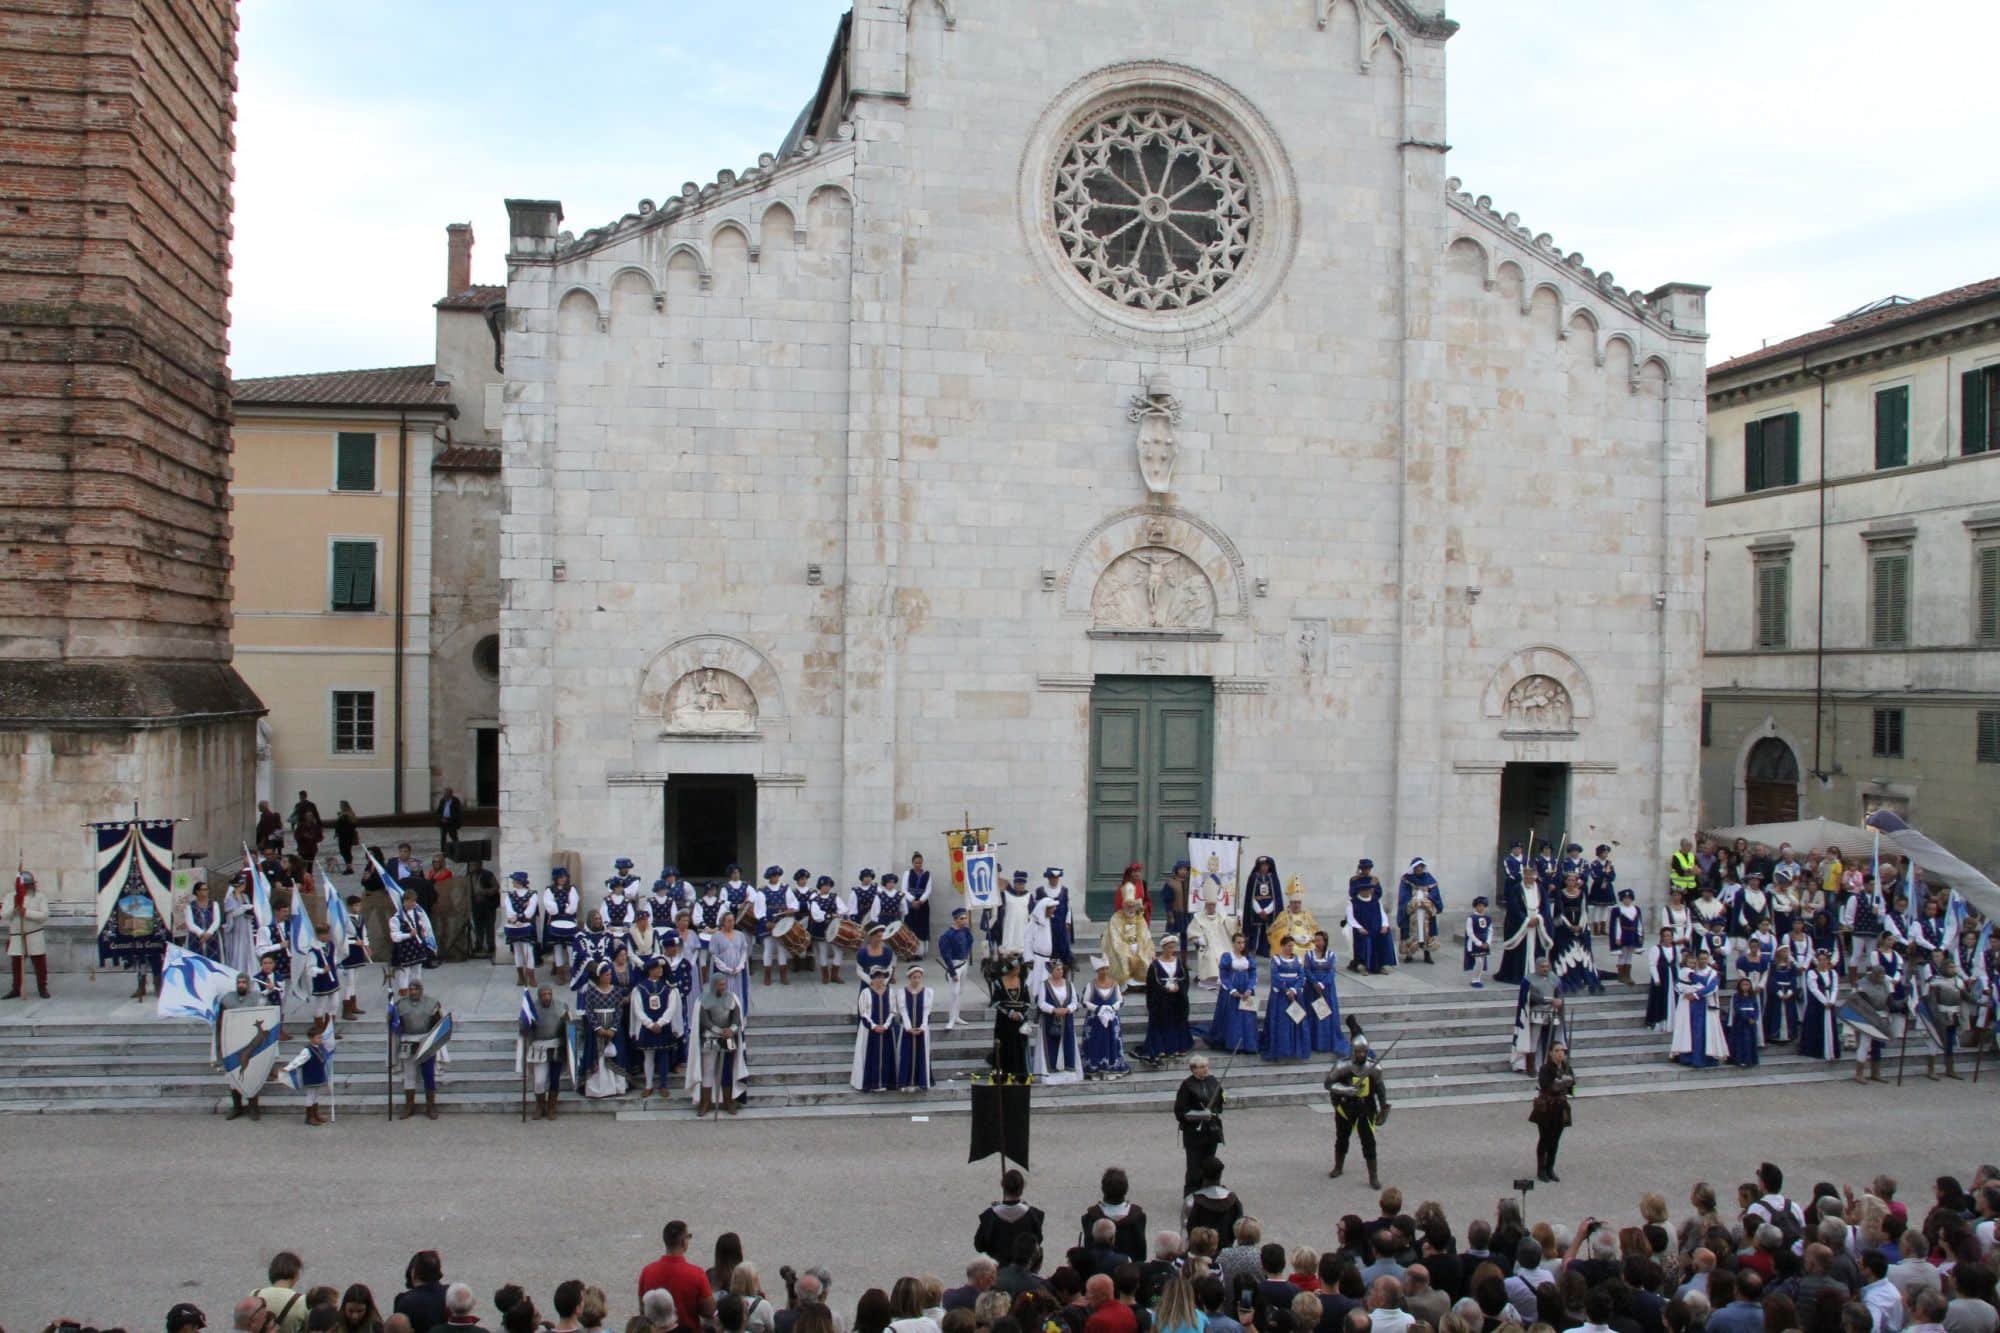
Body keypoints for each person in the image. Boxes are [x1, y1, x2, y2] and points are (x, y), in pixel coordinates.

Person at [1325, 1022, 1390, 1187]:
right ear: (1353, 1051)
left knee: (1369, 1142)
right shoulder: (1342, 1066)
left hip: (1365, 1108)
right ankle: (1338, 1166)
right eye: (1358, 1051)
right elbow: (1329, 1084)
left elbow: (1380, 1088)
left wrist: (1383, 1106)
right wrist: (1346, 1090)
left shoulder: (1373, 1068)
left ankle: (1373, 1176)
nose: (1361, 1054)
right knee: (1342, 1138)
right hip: (1346, 1108)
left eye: (1363, 1051)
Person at [640, 1221, 718, 1333]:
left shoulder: (647, 1272)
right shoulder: (697, 1274)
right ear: (683, 1241)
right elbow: (710, 1310)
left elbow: (643, 1309)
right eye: (689, 1236)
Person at [689, 971, 748, 1114]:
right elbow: (705, 1021)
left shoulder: (732, 998)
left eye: (724, 984)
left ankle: (729, 1102)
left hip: (728, 1038)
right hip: (710, 1038)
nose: (723, 987)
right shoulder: (703, 1000)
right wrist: (718, 1031)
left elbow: (736, 1018)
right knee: (708, 1071)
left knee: (726, 1071)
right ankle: (705, 1102)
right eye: (721, 984)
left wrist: (731, 1030)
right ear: (714, 985)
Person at [627, 956, 679, 1099]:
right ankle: (648, 1085)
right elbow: (638, 1009)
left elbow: (671, 1007)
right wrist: (649, 1024)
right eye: (657, 968)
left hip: (663, 1026)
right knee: (648, 1056)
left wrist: (661, 1023)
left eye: (662, 968)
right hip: (647, 1027)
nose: (660, 970)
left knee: (663, 1056)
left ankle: (663, 1084)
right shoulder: (640, 988)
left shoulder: (668, 988)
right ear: (650, 970)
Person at [394, 979, 447, 1120]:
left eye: (416, 989)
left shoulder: (431, 1003)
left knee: (428, 1074)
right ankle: (409, 1106)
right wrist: (391, 1017)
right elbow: (396, 1025)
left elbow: (439, 1024)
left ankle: (431, 1106)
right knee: (409, 1075)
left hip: (426, 1043)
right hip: (408, 1042)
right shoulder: (401, 1005)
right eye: (411, 989)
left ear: (421, 990)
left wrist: (437, 1015)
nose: (413, 992)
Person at [1174, 1055, 1226, 1196]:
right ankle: (1191, 1195)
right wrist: (1200, 1115)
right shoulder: (1187, 1086)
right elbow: (1180, 1111)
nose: (1205, 1069)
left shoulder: (1213, 1081)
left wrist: (1218, 1104)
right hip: (1194, 1133)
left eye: (1206, 1066)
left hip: (1212, 1130)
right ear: (1193, 1069)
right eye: (1202, 1067)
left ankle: (1209, 1191)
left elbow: (1219, 1102)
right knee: (1194, 1166)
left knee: (1210, 1163)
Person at [1080, 1168, 1150, 1265]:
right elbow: (1141, 1254)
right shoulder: (1138, 1216)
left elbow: (1087, 1248)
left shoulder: (1090, 1217)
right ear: (1126, 1189)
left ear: (1103, 1189)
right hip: (1129, 1273)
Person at [976, 1169, 1048, 1264]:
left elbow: (979, 1246)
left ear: (1003, 1186)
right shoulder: (1033, 1215)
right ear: (1022, 1188)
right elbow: (1037, 1242)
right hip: (1024, 1272)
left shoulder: (990, 1216)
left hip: (997, 1272)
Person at [1141, 937, 1194, 1064]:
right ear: (1163, 947)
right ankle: (1161, 1048)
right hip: (1162, 1000)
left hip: (1177, 999)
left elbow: (1184, 979)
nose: (1172, 950)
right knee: (1162, 1021)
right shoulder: (1155, 965)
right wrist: (1164, 989)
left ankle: (1178, 1047)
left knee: (1177, 1020)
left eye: (1173, 947)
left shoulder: (1179, 962)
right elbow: (1152, 984)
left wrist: (1178, 987)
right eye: (1169, 947)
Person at [1669, 948, 1724, 1068]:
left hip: (1706, 1005)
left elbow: (1711, 987)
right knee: (1692, 1031)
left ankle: (1706, 1059)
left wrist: (1695, 994)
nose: (1703, 961)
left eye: (1705, 958)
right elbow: (1681, 983)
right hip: (1692, 1006)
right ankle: (1690, 1057)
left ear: (1708, 959)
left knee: (1705, 1031)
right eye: (1701, 959)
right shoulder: (1692, 971)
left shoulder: (1712, 973)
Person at [1263, 935, 1315, 1062]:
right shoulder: (1276, 960)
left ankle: (1295, 1050)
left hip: (1295, 995)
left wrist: (1294, 990)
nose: (1290, 948)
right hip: (1280, 996)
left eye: (1292, 946)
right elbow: (1275, 977)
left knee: (1297, 1021)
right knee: (1282, 1023)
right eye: (1288, 946)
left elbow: (1301, 976)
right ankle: (1280, 1051)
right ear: (1282, 946)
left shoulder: (1297, 960)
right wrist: (1286, 990)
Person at [1207, 933, 1260, 1053]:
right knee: (1233, 1017)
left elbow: (1253, 974)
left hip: (1246, 990)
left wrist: (1249, 989)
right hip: (1231, 991)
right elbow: (1224, 975)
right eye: (1239, 942)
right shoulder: (1227, 956)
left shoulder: (1248, 957)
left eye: (1243, 942)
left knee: (1248, 1017)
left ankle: (1249, 1045)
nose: (1241, 945)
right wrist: (1232, 990)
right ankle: (1233, 1044)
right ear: (1233, 943)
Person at [1105, 867, 1156, 991]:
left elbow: (1146, 937)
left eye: (1139, 872)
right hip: (1123, 935)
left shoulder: (1139, 917)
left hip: (1137, 932)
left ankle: (1141, 983)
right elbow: (1116, 938)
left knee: (1143, 952)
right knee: (1125, 954)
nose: (1137, 874)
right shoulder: (1117, 919)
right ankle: (1125, 983)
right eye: (1134, 872)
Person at [524, 983, 570, 1119]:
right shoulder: (533, 1009)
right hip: (539, 1049)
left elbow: (567, 1027)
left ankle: (551, 1107)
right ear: (539, 996)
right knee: (539, 1081)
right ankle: (540, 1106)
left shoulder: (560, 1007)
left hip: (556, 1048)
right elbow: (525, 1028)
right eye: (544, 995)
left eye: (549, 994)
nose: (547, 997)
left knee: (554, 1079)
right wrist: (524, 1023)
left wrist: (568, 1019)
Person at [1530, 1043, 1574, 1183]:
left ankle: (1550, 1168)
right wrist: (1562, 1083)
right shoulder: (1545, 1068)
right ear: (1550, 1053)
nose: (1560, 1053)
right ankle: (1541, 1170)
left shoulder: (1567, 1067)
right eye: (1557, 1051)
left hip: (1561, 1107)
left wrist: (1568, 1084)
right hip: (1547, 1108)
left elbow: (1572, 1085)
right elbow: (1547, 1086)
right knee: (1545, 1139)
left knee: (1555, 1140)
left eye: (1562, 1051)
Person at [853, 968, 901, 1093]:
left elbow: (893, 1011)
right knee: (871, 1055)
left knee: (886, 1055)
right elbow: (863, 1012)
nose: (879, 980)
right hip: (870, 1032)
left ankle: (885, 1082)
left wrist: (885, 1025)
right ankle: (872, 1083)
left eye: (882, 977)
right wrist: (874, 1026)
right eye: (876, 977)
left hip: (886, 1031)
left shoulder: (890, 993)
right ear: (872, 979)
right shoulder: (865, 993)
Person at [5, 868, 51, 999]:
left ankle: (42, 988)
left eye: (31, 884)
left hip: (34, 934)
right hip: (17, 935)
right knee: (16, 964)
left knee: (40, 963)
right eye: (26, 885)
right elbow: (3, 914)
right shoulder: (10, 896)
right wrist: (14, 909)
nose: (29, 887)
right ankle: (16, 989)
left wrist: (26, 913)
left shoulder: (40, 897)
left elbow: (44, 915)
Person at [1082, 959, 1130, 1079]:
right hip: (1095, 1021)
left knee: (1112, 1042)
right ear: (1097, 971)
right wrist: (1097, 1008)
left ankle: (1112, 1067)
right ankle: (1095, 1068)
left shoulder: (1114, 984)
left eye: (1105, 969)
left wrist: (1112, 1007)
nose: (1104, 971)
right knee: (1095, 1043)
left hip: (1111, 1020)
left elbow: (1120, 1000)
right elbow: (1085, 1001)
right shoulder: (1091, 985)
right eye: (1101, 969)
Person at [1038, 959, 1083, 1085]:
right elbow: (1041, 1003)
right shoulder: (1045, 985)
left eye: (1062, 969)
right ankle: (1051, 1070)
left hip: (1066, 1020)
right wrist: (1053, 1010)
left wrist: (1068, 1009)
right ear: (1051, 971)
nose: (1060, 971)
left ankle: (1068, 1071)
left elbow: (1075, 1001)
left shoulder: (1069, 984)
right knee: (1052, 1044)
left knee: (1067, 1043)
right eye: (1058, 969)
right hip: (1050, 1021)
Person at [991, 957, 1034, 1079]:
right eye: (1017, 968)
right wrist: (1009, 1013)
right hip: (1004, 1021)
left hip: (1019, 1021)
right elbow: (996, 1002)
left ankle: (1019, 1074)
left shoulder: (1023, 982)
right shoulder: (999, 982)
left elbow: (1027, 1002)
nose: (1019, 970)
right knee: (1005, 1046)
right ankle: (1003, 1075)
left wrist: (1021, 1014)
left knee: (1019, 1046)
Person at [1346, 868, 1395, 975]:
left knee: (1384, 936)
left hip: (1376, 928)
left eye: (1369, 890)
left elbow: (1383, 914)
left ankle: (1381, 965)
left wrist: (1384, 925)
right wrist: (1359, 928)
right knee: (1366, 939)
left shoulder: (1376, 901)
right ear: (1360, 891)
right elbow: (1351, 918)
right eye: (1365, 890)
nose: (1367, 892)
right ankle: (1363, 965)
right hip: (1362, 930)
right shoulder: (1353, 903)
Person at [1396, 860, 1442, 965]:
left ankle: (1427, 954)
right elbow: (1403, 896)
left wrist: (1427, 900)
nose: (1419, 869)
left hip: (1426, 911)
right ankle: (1409, 954)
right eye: (1417, 867)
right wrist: (1414, 902)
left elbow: (1435, 894)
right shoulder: (1407, 879)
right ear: (1413, 868)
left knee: (1426, 932)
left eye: (1421, 866)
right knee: (1411, 932)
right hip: (1413, 911)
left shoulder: (1429, 879)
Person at [939, 907, 975, 1029]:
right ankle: (951, 1020)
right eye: (962, 918)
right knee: (954, 993)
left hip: (964, 964)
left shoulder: (965, 931)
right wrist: (952, 971)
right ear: (955, 920)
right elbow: (946, 955)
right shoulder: (947, 935)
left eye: (965, 917)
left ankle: (957, 1016)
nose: (965, 920)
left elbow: (970, 942)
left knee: (960, 992)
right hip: (955, 965)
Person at [543, 867, 581, 983]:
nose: (563, 879)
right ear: (556, 878)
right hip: (556, 921)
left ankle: (573, 973)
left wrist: (563, 907)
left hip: (569, 922)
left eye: (564, 877)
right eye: (560, 877)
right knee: (557, 948)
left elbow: (573, 907)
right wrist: (562, 906)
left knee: (570, 949)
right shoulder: (549, 890)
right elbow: (550, 907)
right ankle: (561, 975)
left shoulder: (572, 889)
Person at [1244, 857, 1283, 958]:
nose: (1264, 867)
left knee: (1268, 931)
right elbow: (1250, 897)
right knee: (1255, 931)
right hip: (1256, 910)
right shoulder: (1253, 878)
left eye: (1266, 865)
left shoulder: (1273, 878)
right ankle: (1253, 949)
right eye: (1262, 865)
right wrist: (1259, 911)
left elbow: (1277, 897)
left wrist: (1267, 911)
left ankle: (1266, 951)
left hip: (1270, 911)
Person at [467, 861, 499, 961]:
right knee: (478, 926)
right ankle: (479, 945)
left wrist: (485, 892)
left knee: (489, 926)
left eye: (474, 865)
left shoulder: (488, 875)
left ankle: (491, 946)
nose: (472, 867)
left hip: (488, 905)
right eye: (471, 866)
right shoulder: (469, 876)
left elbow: (496, 887)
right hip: (476, 906)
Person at [1463, 896, 1493, 989]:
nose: (1481, 908)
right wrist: (1478, 942)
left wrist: (1488, 942)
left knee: (1482, 961)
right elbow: (1470, 932)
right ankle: (1474, 979)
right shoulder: (1471, 918)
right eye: (1479, 906)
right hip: (1475, 943)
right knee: (1478, 961)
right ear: (1475, 906)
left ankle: (1478, 978)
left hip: (1484, 941)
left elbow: (1490, 930)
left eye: (1483, 906)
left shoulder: (1488, 918)